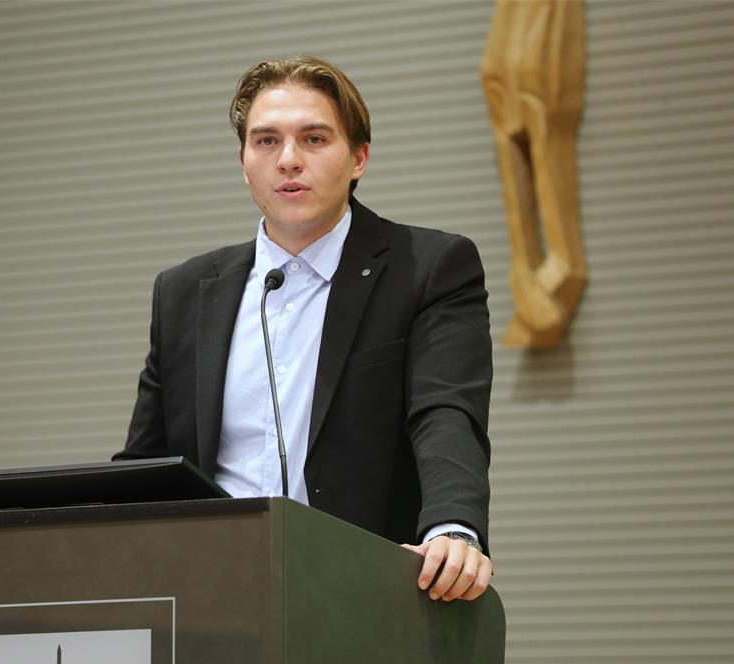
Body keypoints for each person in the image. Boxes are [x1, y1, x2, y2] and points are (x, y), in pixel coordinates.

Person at [116, 56, 493, 602]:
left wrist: (453, 528)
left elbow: (445, 413)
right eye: (266, 141)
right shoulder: (185, 293)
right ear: (244, 163)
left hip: (365, 590)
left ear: (359, 158)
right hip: (209, 593)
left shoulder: (428, 268)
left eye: (314, 139)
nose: (288, 159)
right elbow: (146, 465)